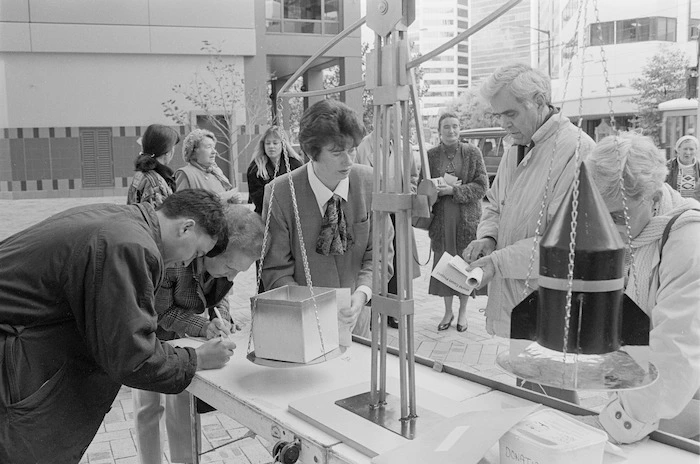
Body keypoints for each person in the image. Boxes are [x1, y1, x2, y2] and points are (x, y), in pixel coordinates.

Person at [0, 189, 237, 463]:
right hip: (15, 358)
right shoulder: (130, 246)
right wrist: (195, 359)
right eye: (196, 252)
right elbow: (130, 356)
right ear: (186, 227)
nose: (187, 262)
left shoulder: (124, 221)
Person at [463, 63, 596, 338]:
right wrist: (488, 238)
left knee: (549, 378)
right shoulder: (515, 149)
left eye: (511, 113)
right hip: (519, 304)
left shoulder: (578, 150)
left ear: (538, 101)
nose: (503, 124)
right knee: (524, 377)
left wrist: (496, 263)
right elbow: (495, 206)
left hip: (556, 309)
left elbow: (564, 245)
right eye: (499, 115)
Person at [584, 133, 700, 444]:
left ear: (652, 196)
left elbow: (675, 356)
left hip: (683, 403)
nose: (607, 227)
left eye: (618, 216)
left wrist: (615, 423)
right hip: (650, 400)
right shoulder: (640, 231)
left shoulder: (689, 242)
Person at [133, 204, 264, 464]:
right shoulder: (175, 263)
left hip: (186, 343)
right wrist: (203, 327)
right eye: (230, 267)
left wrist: (221, 319)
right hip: (151, 337)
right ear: (213, 248)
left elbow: (222, 296)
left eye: (239, 271)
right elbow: (163, 313)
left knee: (184, 406)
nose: (232, 275)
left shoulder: (225, 266)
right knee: (148, 406)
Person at [262, 99, 391, 338]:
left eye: (352, 150)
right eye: (336, 152)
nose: (349, 160)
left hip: (357, 317)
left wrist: (361, 294)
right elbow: (275, 269)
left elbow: (381, 256)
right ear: (312, 152)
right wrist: (309, 308)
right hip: (304, 323)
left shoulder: (371, 183)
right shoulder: (280, 193)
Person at [355, 117, 421, 329]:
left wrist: (408, 192)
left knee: (397, 263)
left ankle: (393, 311)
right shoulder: (364, 146)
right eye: (391, 121)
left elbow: (412, 177)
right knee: (375, 260)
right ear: (380, 120)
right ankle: (372, 310)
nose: (395, 125)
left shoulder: (404, 147)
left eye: (398, 122)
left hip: (398, 213)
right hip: (375, 213)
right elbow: (356, 178)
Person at [425, 112, 488, 333]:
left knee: (464, 266)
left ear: (459, 129)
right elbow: (424, 187)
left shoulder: (472, 152)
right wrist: (434, 192)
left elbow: (482, 186)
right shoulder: (431, 155)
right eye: (447, 127)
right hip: (442, 221)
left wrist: (455, 190)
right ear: (439, 131)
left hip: (466, 220)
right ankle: (447, 311)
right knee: (444, 265)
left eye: (455, 126)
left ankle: (462, 313)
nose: (451, 131)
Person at [247, 125, 304, 215]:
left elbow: (301, 192)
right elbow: (258, 199)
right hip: (265, 215)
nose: (271, 146)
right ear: (263, 145)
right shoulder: (256, 168)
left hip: (291, 214)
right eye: (268, 143)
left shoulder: (294, 165)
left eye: (275, 143)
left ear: (283, 144)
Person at [176, 128, 242, 204]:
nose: (214, 152)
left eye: (213, 147)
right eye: (208, 147)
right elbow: (181, 206)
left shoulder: (216, 172)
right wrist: (217, 200)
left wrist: (232, 199)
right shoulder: (186, 173)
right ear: (193, 150)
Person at [127, 124, 181, 207]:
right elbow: (159, 218)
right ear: (167, 151)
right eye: (173, 147)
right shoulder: (156, 184)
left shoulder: (141, 173)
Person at [666, 134, 700, 201]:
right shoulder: (668, 166)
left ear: (696, 150)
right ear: (678, 149)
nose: (688, 152)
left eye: (691, 149)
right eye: (685, 149)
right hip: (674, 206)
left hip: (696, 207)